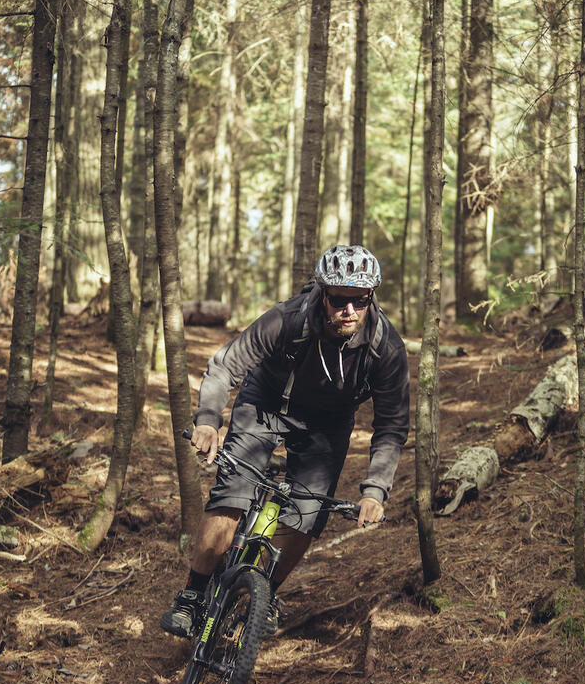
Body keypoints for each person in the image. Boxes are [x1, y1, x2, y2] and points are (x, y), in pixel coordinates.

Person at [160, 245, 410, 639]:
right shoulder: (289, 319)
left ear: (370, 299)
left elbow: (392, 425)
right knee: (233, 495)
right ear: (323, 295)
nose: (349, 310)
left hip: (328, 423)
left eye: (359, 301)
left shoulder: (385, 347)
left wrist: (375, 491)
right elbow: (225, 365)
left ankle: (265, 592)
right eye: (340, 300)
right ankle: (192, 593)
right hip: (269, 401)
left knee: (307, 514)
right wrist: (209, 421)